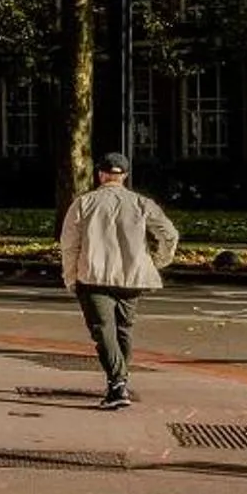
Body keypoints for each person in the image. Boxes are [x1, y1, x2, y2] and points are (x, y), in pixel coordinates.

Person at [58, 150, 180, 409]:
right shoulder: (142, 203)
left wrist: (70, 277)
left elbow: (69, 244)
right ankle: (120, 379)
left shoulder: (84, 203)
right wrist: (157, 261)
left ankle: (116, 383)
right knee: (123, 328)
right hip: (131, 276)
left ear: (100, 174)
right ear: (124, 176)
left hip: (93, 276)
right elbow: (169, 234)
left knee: (103, 330)